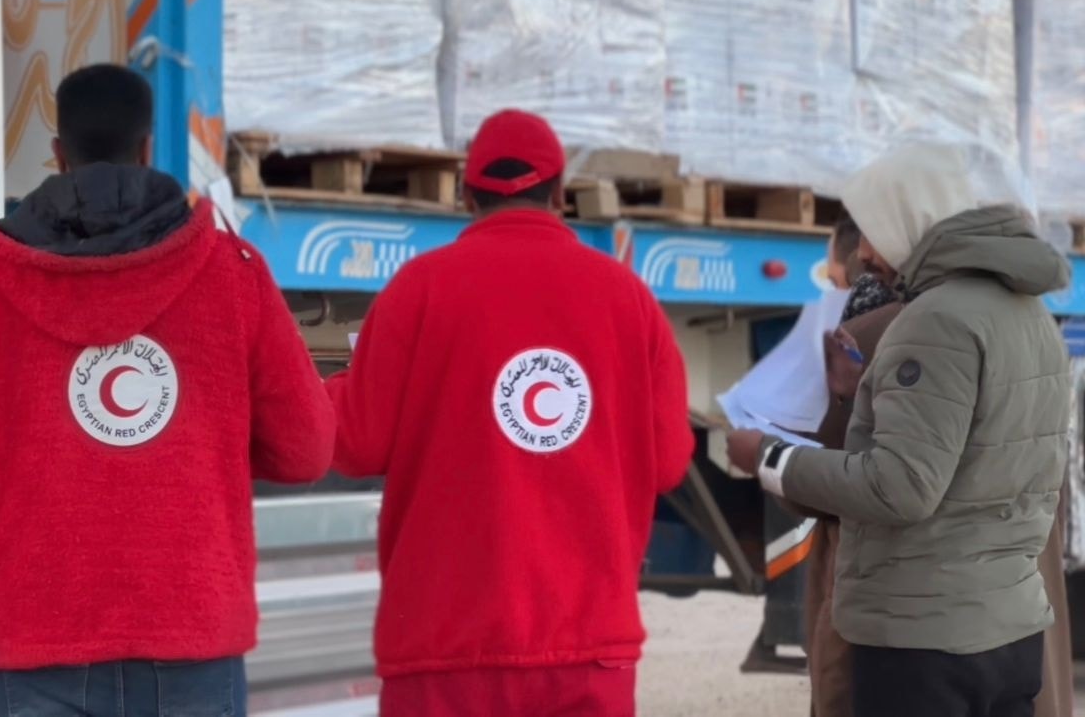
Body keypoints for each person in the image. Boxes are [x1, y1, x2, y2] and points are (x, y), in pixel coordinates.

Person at [0, 64, 336, 716]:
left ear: (58, 154)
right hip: (190, 628)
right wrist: (203, 466)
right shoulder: (231, 275)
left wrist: (18, 512)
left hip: (38, 636)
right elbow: (306, 448)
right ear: (148, 149)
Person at [328, 109, 696, 716]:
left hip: (442, 653)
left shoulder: (417, 289)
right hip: (586, 649)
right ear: (560, 194)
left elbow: (356, 441)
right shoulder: (628, 298)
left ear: (467, 198)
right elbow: (669, 463)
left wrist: (323, 386)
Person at [728, 143, 1071, 717]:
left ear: (911, 220)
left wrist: (770, 458)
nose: (863, 253)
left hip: (924, 641)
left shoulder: (934, 320)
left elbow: (901, 487)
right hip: (1008, 633)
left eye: (871, 230)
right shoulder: (1029, 314)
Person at [800, 215, 903, 717]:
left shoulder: (862, 334)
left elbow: (817, 485)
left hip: (870, 601)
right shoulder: (1026, 326)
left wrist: (770, 457)